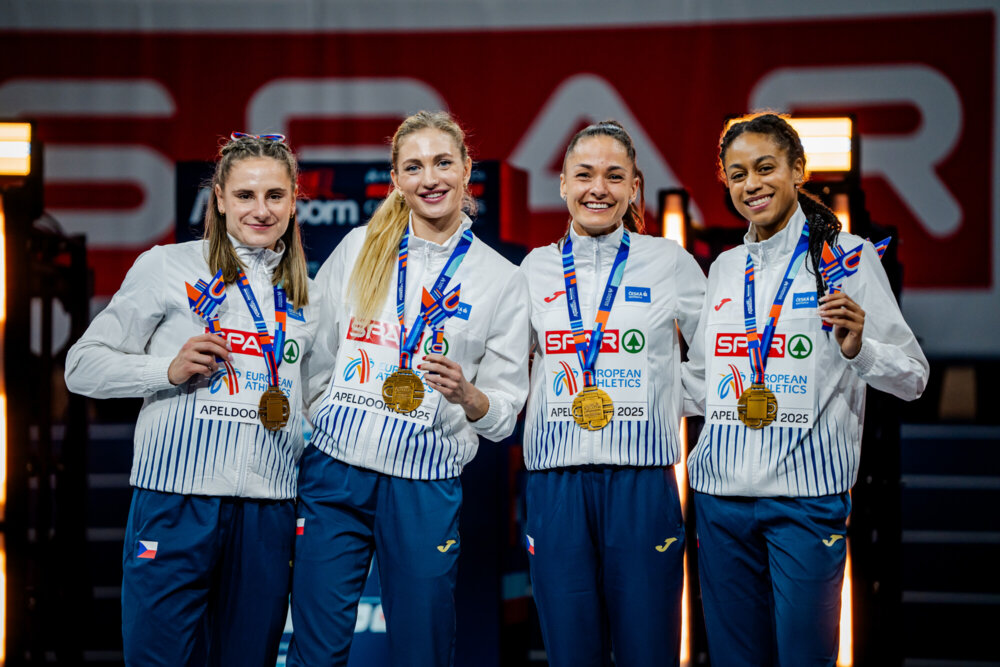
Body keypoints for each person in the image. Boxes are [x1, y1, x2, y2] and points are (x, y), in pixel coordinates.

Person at [682, 113, 929, 666]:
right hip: (719, 504)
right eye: (738, 173)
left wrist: (858, 348)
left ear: (798, 171)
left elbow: (913, 378)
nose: (753, 185)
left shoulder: (849, 259)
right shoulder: (723, 268)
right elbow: (699, 383)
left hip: (804, 503)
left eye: (766, 168)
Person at [64, 133, 319, 665]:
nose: (261, 209)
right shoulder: (166, 266)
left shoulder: (307, 297)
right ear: (219, 198)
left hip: (266, 512)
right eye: (245, 195)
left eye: (275, 196)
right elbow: (81, 367)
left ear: (294, 200)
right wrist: (166, 369)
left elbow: (312, 405)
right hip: (174, 501)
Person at [287, 110, 530, 667]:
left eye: (444, 162)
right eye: (414, 166)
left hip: (424, 486)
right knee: (315, 652)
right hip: (335, 475)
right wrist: (330, 418)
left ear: (467, 170)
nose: (431, 178)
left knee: (422, 652)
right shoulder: (359, 247)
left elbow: (504, 410)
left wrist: (469, 396)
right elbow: (315, 356)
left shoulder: (500, 278)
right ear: (396, 178)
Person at [517, 120, 705, 667]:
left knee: (649, 652)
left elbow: (724, 357)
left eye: (614, 176)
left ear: (634, 187)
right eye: (584, 174)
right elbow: (505, 370)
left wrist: (664, 396)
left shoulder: (668, 263)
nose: (598, 188)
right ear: (562, 184)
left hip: (642, 485)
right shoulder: (534, 269)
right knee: (571, 654)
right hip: (556, 486)